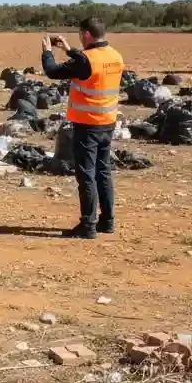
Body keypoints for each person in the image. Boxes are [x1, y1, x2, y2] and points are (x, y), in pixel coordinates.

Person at [41, 18, 124, 239]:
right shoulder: (115, 56)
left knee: (86, 174)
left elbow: (52, 71)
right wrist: (69, 50)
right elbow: (90, 64)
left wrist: (47, 52)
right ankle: (107, 221)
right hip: (108, 122)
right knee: (103, 172)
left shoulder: (86, 60)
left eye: (80, 34)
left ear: (86, 34)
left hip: (87, 124)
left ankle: (88, 225)